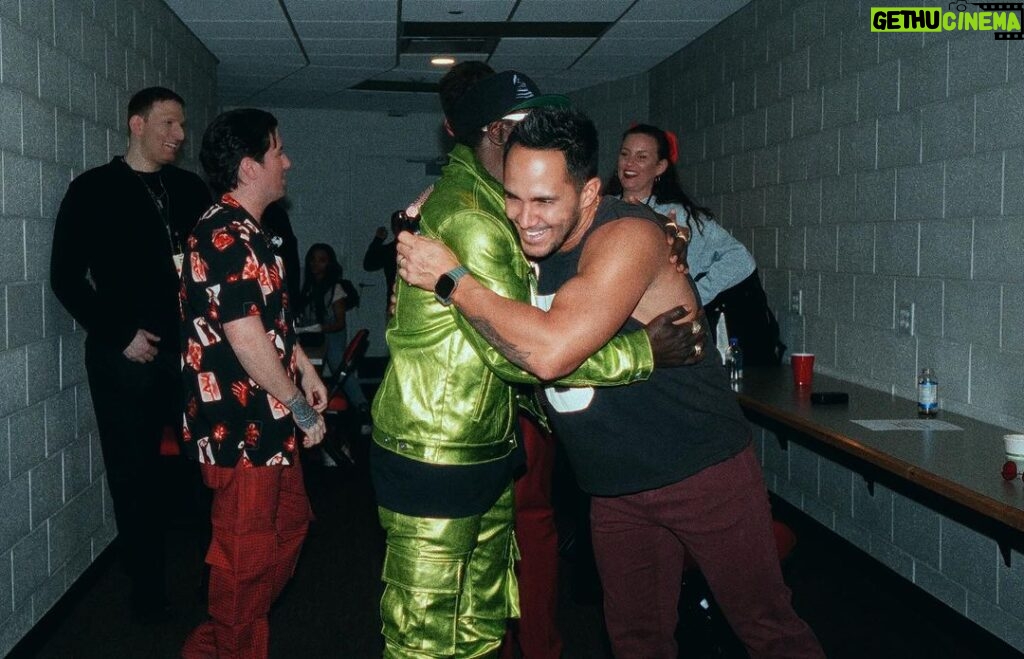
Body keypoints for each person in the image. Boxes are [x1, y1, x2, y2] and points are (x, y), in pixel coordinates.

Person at [396, 106, 825, 659]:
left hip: (699, 470)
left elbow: (549, 352)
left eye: (545, 200)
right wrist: (425, 213)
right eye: (513, 197)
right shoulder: (527, 232)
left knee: (767, 628)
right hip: (611, 485)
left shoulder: (626, 238)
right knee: (636, 641)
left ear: (590, 191)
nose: (525, 218)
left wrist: (451, 279)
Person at [371, 68, 702, 659]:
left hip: (478, 447)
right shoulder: (475, 219)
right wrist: (642, 351)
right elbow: (527, 352)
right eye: (532, 126)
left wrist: (651, 228)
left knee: (474, 629)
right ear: (498, 133)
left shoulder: (491, 204)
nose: (547, 139)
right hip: (438, 452)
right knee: (424, 640)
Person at [49, 86, 212, 622]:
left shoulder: (189, 190)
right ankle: (148, 594)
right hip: (124, 357)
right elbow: (66, 278)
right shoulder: (93, 189)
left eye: (182, 125)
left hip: (188, 354)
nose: (180, 135)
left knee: (201, 470)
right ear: (136, 125)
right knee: (134, 475)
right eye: (168, 123)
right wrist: (122, 334)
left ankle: (214, 586)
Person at [180, 108, 327, 658]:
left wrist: (305, 368)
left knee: (289, 529)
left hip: (270, 425)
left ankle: (218, 644)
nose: (286, 162)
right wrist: (301, 407)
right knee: (244, 563)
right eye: (277, 152)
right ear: (248, 166)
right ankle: (227, 646)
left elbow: (269, 326)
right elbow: (244, 340)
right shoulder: (223, 232)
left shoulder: (250, 230)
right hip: (240, 429)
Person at [605, 123, 755, 306]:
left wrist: (694, 296)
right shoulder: (603, 207)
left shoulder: (677, 215)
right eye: (624, 154)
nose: (629, 163)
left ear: (660, 167)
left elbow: (739, 258)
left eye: (641, 157)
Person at [295, 243, 368, 413]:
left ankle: (361, 405)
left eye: (322, 260)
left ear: (329, 263)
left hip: (332, 334)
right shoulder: (307, 287)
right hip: (312, 336)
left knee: (337, 363)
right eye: (313, 260)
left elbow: (339, 323)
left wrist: (318, 328)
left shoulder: (336, 288)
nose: (316, 264)